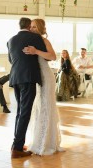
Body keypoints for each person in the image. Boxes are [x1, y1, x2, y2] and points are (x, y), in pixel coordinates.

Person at [7, 17, 47, 159]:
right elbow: (47, 57)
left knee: (20, 112)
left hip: (15, 78)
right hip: (28, 77)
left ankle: (16, 144)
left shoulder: (11, 40)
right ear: (30, 26)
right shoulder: (34, 37)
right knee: (25, 112)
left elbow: (11, 60)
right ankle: (17, 148)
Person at [23, 18, 63, 155]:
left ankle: (46, 143)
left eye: (34, 27)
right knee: (39, 108)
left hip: (46, 76)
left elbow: (53, 56)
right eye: (31, 27)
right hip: (37, 78)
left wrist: (36, 51)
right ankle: (38, 140)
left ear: (40, 28)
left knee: (46, 107)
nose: (32, 29)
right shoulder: (32, 40)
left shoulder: (44, 41)